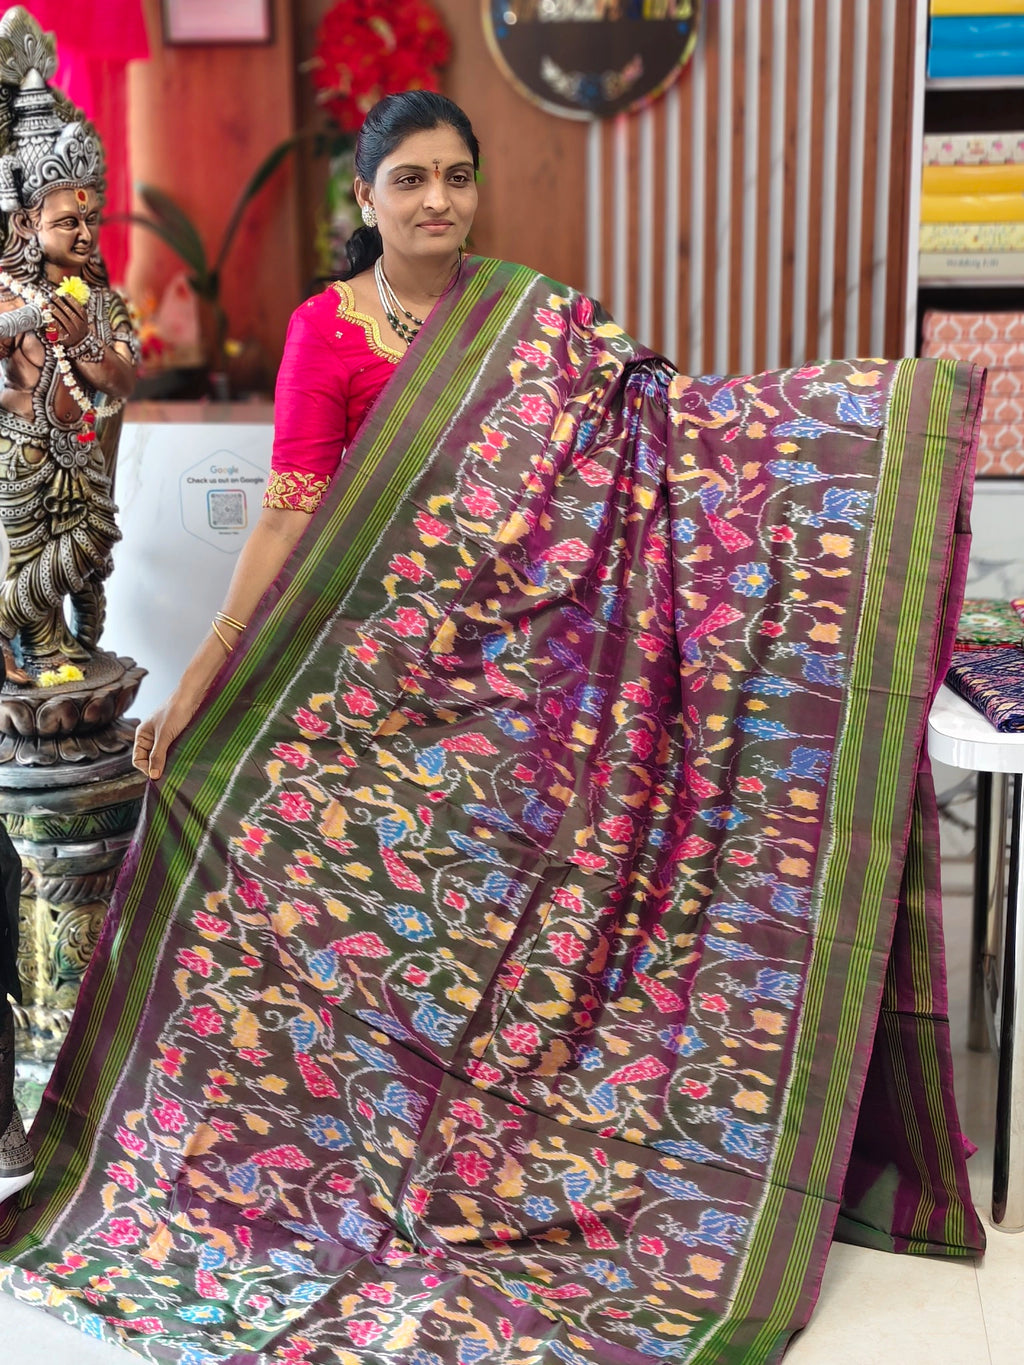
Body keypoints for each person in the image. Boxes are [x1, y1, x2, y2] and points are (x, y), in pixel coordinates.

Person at [0, 92, 988, 1364]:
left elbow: (664, 447)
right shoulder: (326, 333)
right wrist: (199, 684)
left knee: (552, 915)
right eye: (408, 180)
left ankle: (514, 1135)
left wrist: (870, 422)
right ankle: (326, 1153)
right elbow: (293, 523)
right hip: (378, 683)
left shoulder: (538, 321)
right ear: (366, 201)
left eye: (455, 178)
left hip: (538, 685)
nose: (437, 203)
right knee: (292, 887)